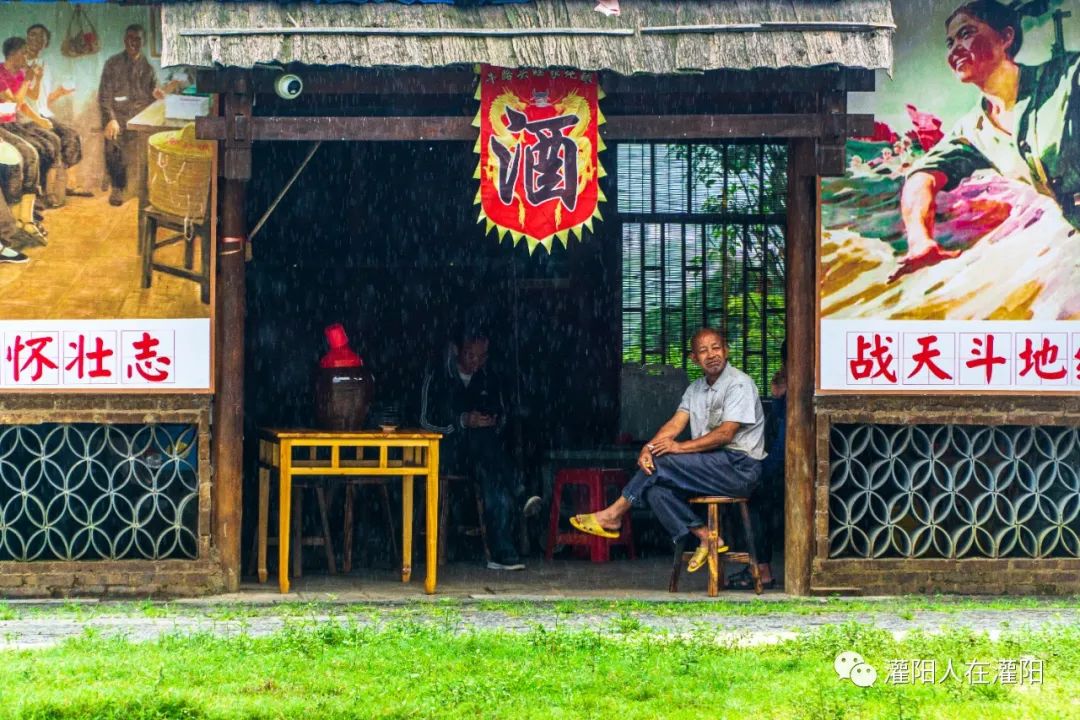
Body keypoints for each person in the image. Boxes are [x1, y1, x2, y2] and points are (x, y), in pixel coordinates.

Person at [893, 0, 1080, 280]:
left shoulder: (1069, 76)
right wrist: (920, 240)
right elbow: (921, 176)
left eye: (966, 34)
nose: (955, 49)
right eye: (949, 42)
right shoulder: (972, 129)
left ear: (1006, 37)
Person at [570, 328, 766, 576]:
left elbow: (725, 434)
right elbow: (674, 425)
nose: (711, 355)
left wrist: (678, 448)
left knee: (663, 463)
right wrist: (648, 448)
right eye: (703, 351)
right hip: (711, 468)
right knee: (654, 490)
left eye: (716, 348)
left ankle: (613, 514)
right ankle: (705, 536)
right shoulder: (695, 390)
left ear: (726, 350)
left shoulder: (739, 384)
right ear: (694, 358)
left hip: (739, 468)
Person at [419, 324, 540, 571]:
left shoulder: (488, 378)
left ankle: (503, 554)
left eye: (481, 356)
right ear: (456, 351)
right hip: (447, 453)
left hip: (483, 456)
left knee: (492, 477)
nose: (476, 362)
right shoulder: (439, 377)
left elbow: (502, 414)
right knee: (485, 449)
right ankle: (519, 494)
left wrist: (491, 421)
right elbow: (423, 420)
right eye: (470, 355)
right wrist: (462, 421)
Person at [98, 24, 175, 207]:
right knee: (113, 140)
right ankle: (118, 186)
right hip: (118, 115)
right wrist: (111, 119)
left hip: (140, 114)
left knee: (157, 140)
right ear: (125, 41)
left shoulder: (147, 66)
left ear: (143, 42)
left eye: (137, 39)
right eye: (130, 39)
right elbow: (104, 96)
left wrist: (158, 94)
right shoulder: (113, 63)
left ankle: (148, 188)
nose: (133, 43)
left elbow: (153, 91)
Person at [23, 24, 83, 204]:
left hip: (43, 113)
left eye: (41, 37)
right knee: (51, 141)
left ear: (46, 43)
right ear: (27, 38)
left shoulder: (45, 65)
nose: (36, 40)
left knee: (72, 136)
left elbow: (44, 97)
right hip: (27, 117)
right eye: (33, 35)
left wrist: (61, 92)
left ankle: (66, 185)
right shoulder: (19, 63)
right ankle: (45, 191)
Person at [0, 36, 48, 243]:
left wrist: (40, 120)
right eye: (24, 53)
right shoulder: (1, 73)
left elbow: (26, 102)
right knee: (28, 154)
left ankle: (27, 219)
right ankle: (21, 221)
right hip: (3, 123)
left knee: (36, 152)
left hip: (11, 122)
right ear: (14, 53)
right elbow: (13, 103)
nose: (27, 56)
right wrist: (28, 79)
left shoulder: (19, 73)